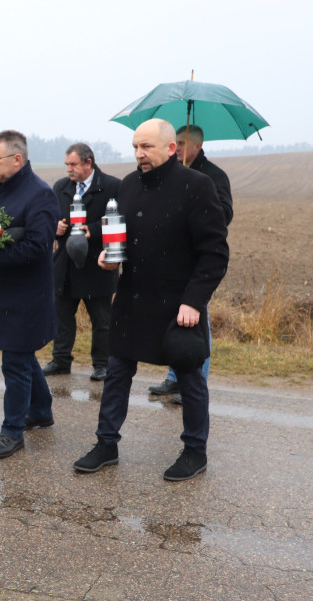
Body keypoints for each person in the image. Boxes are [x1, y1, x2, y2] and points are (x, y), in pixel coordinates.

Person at [74, 119, 229, 481]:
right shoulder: (129, 185)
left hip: (179, 305)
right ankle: (106, 444)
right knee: (116, 374)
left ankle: (195, 450)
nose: (139, 154)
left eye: (146, 147)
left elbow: (215, 253)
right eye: (135, 147)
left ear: (171, 148)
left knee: (190, 379)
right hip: (132, 298)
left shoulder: (197, 186)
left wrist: (193, 302)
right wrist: (110, 255)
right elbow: (124, 235)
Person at [0, 130, 60, 459]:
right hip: (1, 291)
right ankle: (40, 411)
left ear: (17, 159)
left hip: (27, 294)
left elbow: (38, 247)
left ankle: (12, 431)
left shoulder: (41, 195)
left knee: (13, 360)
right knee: (22, 354)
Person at [148, 125, 234, 402]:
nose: (180, 147)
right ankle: (174, 378)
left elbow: (223, 215)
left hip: (197, 264)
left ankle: (195, 383)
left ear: (198, 146)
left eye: (183, 143)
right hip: (170, 262)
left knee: (196, 320)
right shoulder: (169, 174)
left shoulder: (213, 176)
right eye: (177, 142)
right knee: (172, 319)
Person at [43, 143, 120, 381]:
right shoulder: (62, 187)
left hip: (97, 265)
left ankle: (102, 365)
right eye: (67, 165)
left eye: (73, 164)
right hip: (65, 264)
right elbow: (50, 218)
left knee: (102, 320)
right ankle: (61, 360)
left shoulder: (112, 186)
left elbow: (118, 220)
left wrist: (93, 230)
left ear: (89, 162)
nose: (69, 170)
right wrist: (55, 227)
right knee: (62, 316)